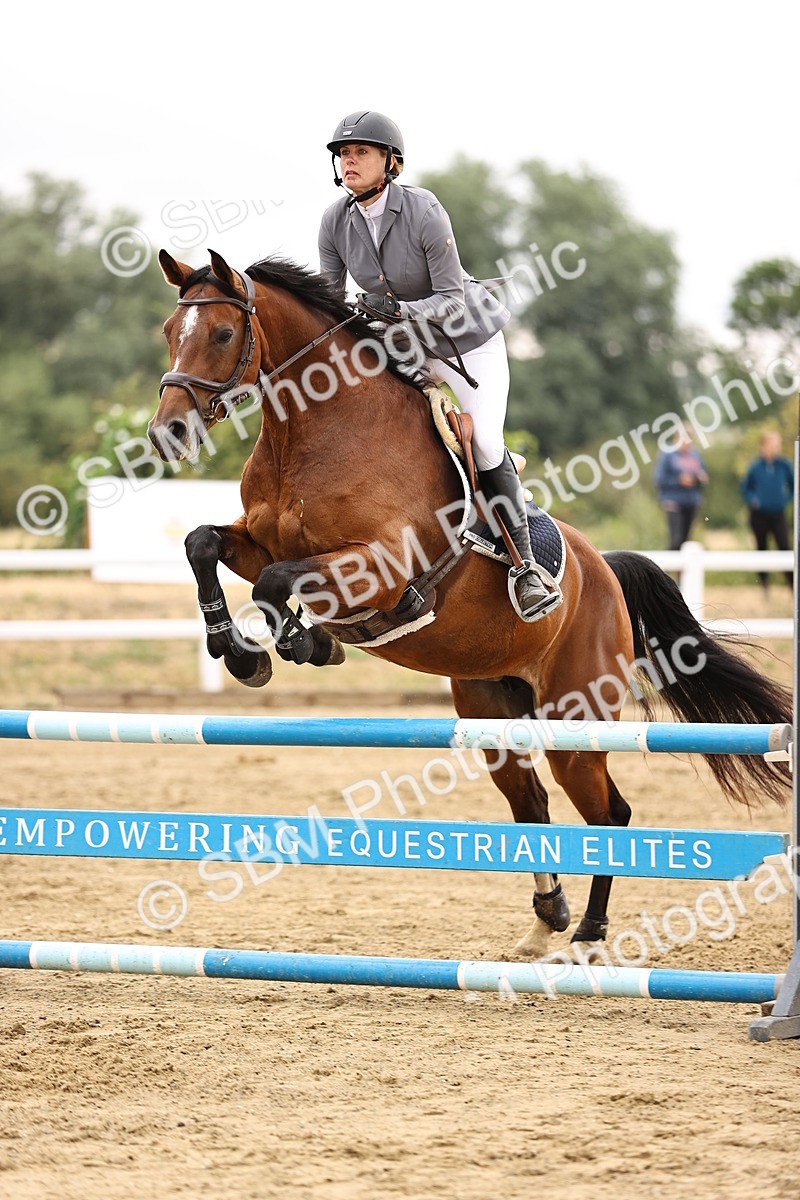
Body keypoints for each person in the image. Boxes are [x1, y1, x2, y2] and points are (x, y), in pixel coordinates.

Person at [317, 109, 561, 623]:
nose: (348, 160)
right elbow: (330, 304)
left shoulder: (424, 210)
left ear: (390, 162)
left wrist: (399, 311)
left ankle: (526, 566)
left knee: (487, 442)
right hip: (403, 349)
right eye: (343, 153)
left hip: (466, 343)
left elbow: (452, 296)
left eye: (360, 151)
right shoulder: (334, 221)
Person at [740, 431, 794, 591]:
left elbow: (793, 485)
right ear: (763, 446)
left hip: (778, 514)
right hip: (759, 515)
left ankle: (793, 586)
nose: (775, 449)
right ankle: (764, 585)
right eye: (772, 445)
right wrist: (754, 501)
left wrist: (786, 499)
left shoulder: (784, 465)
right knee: (761, 548)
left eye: (777, 445)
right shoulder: (755, 466)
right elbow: (745, 488)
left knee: (784, 547)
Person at [653, 430, 709, 551]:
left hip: (691, 502)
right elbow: (659, 479)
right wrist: (678, 481)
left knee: (686, 542)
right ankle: (666, 569)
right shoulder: (667, 455)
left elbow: (704, 475)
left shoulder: (695, 455)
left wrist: (698, 479)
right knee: (675, 540)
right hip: (673, 502)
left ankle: (681, 570)